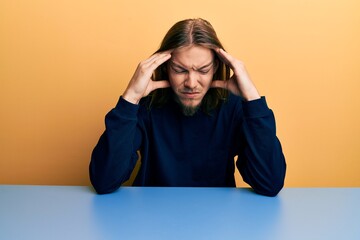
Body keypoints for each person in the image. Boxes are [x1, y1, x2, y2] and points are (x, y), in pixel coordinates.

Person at [90, 18, 286, 196]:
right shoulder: (146, 106)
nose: (191, 83)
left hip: (216, 220)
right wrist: (131, 97)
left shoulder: (233, 107)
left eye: (203, 70)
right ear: (166, 67)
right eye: (180, 70)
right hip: (151, 218)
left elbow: (269, 183)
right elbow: (104, 181)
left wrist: (252, 98)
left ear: (216, 67)